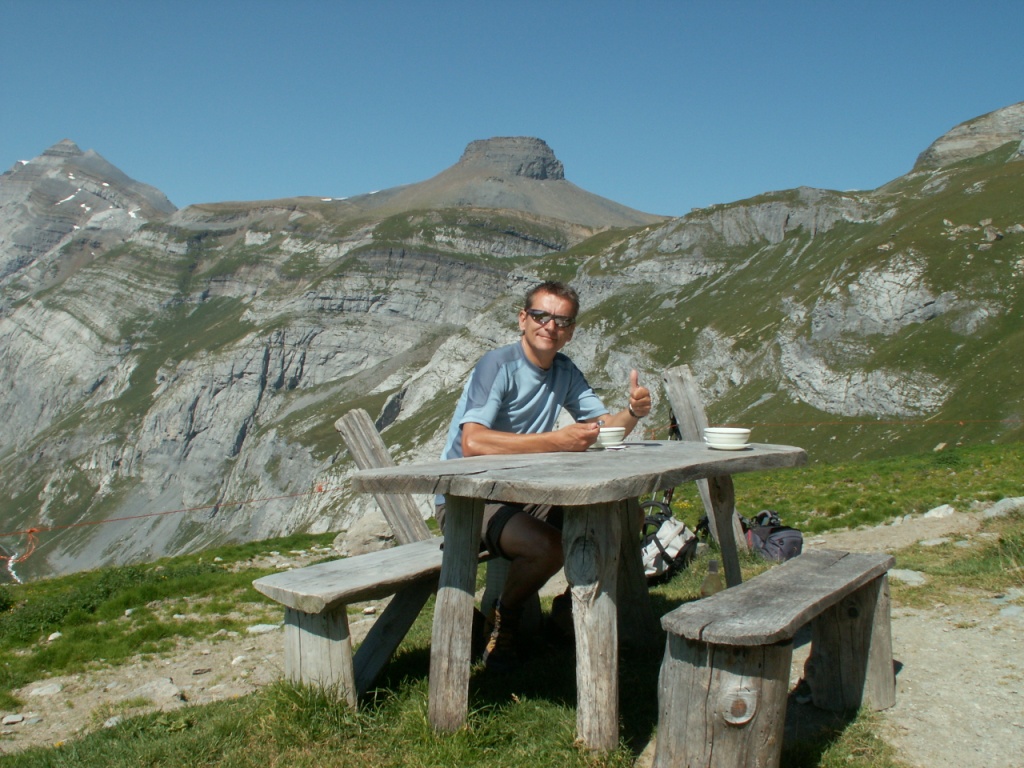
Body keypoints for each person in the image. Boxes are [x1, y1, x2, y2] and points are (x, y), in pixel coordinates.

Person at [436, 280, 651, 670]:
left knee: (626, 518)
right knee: (547, 547)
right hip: (467, 498)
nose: (550, 326)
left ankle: (571, 608)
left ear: (570, 332)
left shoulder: (565, 371)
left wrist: (632, 412)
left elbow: (603, 426)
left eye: (562, 320)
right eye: (541, 315)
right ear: (523, 319)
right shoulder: (497, 365)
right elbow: (473, 443)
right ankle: (506, 618)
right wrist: (555, 440)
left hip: (524, 492)